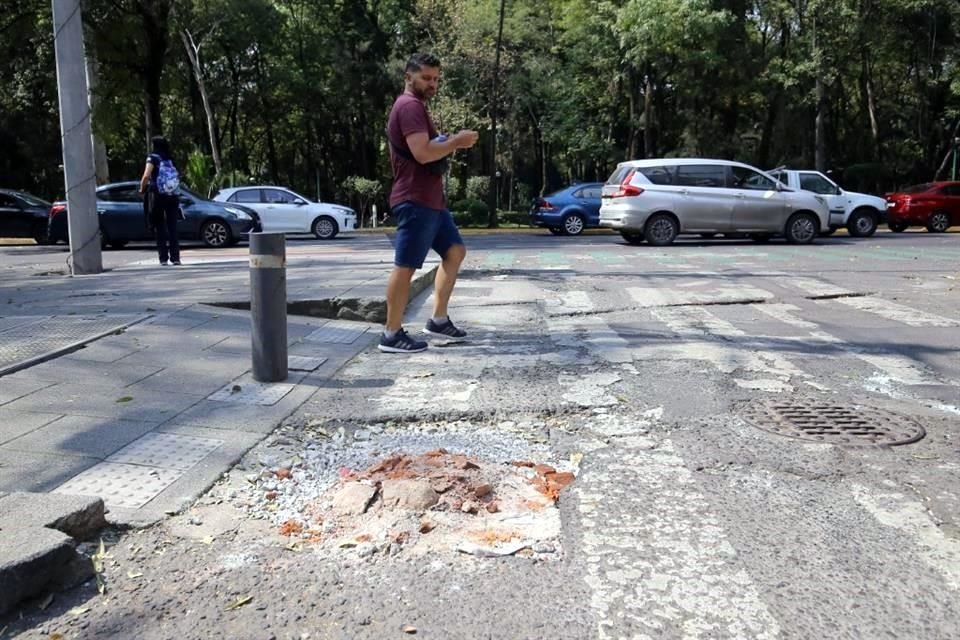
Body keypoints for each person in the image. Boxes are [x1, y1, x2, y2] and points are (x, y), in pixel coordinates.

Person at [380, 52, 479, 353]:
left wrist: (445, 141)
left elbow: (427, 148)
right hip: (414, 198)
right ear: (408, 77)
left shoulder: (418, 107)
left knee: (455, 252)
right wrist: (456, 142)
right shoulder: (408, 105)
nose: (432, 83)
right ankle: (391, 333)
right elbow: (422, 153)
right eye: (425, 77)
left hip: (431, 201)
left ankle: (437, 319)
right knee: (405, 266)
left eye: (436, 78)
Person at [138, 136, 182, 266]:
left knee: (159, 226)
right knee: (172, 227)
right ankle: (176, 258)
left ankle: (163, 258)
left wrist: (141, 189)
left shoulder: (153, 158)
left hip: (157, 195)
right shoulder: (170, 158)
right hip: (172, 195)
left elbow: (146, 176)